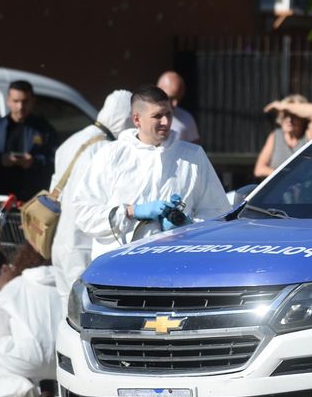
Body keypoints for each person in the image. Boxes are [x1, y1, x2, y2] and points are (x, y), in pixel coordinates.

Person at [70, 86, 230, 259]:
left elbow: (217, 212)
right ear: (137, 119)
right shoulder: (111, 155)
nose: (166, 122)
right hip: (119, 265)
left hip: (175, 263)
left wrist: (187, 225)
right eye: (157, 116)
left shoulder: (192, 156)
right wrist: (130, 212)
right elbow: (83, 212)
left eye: (168, 114)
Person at [49, 90, 134, 292]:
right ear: (125, 118)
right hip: (83, 244)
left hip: (60, 243)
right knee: (83, 311)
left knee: (65, 311)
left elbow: (55, 190)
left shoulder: (71, 141)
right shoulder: (107, 150)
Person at [0, 248, 65, 397]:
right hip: (64, 360)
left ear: (5, 269)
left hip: (31, 359)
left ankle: (20, 392)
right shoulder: (56, 279)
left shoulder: (6, 292)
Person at [0, 79, 58, 200]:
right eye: (16, 101)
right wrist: (1, 160)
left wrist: (33, 161)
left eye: (25, 101)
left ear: (33, 101)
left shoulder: (44, 129)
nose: (20, 106)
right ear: (8, 101)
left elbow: (56, 160)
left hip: (32, 197)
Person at [254, 94, 312, 178]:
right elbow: (259, 169)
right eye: (286, 115)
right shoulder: (275, 136)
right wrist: (284, 174)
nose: (289, 120)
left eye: (294, 116)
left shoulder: (308, 136)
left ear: (303, 118)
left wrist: (281, 106)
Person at [157, 70, 201, 144]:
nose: (175, 104)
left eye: (178, 98)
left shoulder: (186, 118)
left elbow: (194, 150)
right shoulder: (143, 114)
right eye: (171, 98)